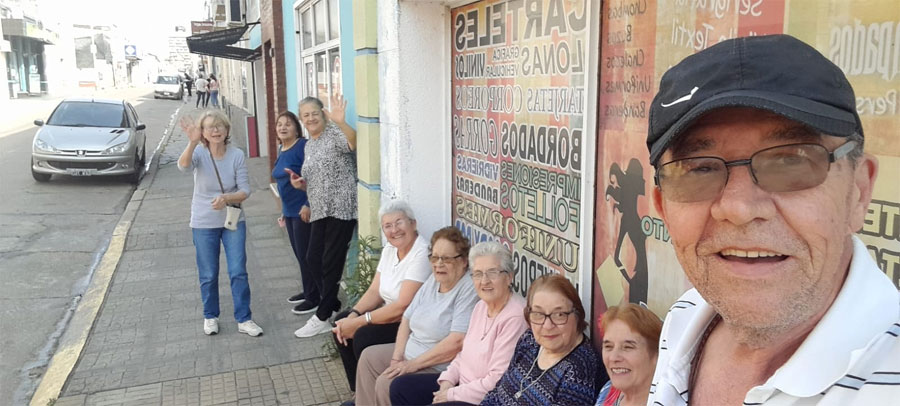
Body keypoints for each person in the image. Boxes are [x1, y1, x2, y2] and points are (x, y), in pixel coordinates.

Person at [646, 34, 896, 405]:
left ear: (858, 191)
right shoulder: (686, 317)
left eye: (790, 160)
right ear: (663, 206)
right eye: (699, 169)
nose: (739, 208)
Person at [389, 241, 529, 406]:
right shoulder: (481, 306)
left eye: (492, 273)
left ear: (509, 276)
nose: (484, 281)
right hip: (461, 385)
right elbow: (463, 354)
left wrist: (451, 394)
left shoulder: (515, 316)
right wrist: (447, 381)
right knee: (400, 387)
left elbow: (496, 381)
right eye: (477, 274)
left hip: (484, 399)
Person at [353, 227, 479, 406]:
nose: (439, 264)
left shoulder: (468, 288)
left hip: (436, 365)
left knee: (386, 383)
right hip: (410, 353)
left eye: (447, 259)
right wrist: (397, 357)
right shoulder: (434, 280)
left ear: (464, 261)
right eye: (434, 257)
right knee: (368, 358)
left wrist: (412, 365)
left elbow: (457, 342)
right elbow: (406, 318)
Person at [177, 109, 263, 337]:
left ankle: (244, 319)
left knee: (238, 271)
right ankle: (210, 316)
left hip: (232, 219)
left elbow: (245, 190)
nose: (215, 131)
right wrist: (192, 142)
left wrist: (226, 198)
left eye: (219, 126)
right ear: (203, 132)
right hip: (203, 222)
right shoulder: (199, 153)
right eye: (209, 127)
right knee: (208, 273)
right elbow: (183, 167)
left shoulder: (236, 154)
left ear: (227, 130)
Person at [331, 200, 431, 391]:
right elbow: (375, 290)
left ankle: (372, 390)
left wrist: (360, 322)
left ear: (413, 223)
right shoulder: (390, 249)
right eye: (388, 226)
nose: (395, 230)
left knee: (362, 336)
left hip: (407, 323)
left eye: (399, 222)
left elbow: (402, 306)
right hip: (388, 314)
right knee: (341, 322)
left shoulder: (421, 253)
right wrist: (353, 315)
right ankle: (358, 391)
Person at [292, 94, 359, 338]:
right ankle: (331, 304)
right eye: (305, 115)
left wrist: (341, 122)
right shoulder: (310, 144)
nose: (310, 118)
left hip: (341, 206)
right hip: (320, 207)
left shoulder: (334, 134)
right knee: (312, 258)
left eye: (314, 113)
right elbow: (315, 177)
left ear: (323, 114)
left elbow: (353, 143)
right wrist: (302, 186)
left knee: (330, 260)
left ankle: (322, 316)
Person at [481, 274, 603, 405]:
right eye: (538, 314)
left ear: (577, 315)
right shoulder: (530, 340)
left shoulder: (579, 369)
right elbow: (498, 391)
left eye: (559, 315)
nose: (548, 326)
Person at [271, 111, 315, 315]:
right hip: (289, 211)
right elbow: (283, 182)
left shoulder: (302, 146)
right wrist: (282, 211)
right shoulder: (282, 148)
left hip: (302, 210)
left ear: (297, 128)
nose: (283, 127)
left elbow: (314, 177)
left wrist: (308, 203)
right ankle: (308, 291)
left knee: (308, 256)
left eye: (288, 124)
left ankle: (314, 298)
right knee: (300, 255)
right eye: (280, 124)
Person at [595, 304, 662, 406]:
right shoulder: (608, 391)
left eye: (628, 347)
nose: (613, 358)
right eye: (608, 346)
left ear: (657, 355)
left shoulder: (668, 401)